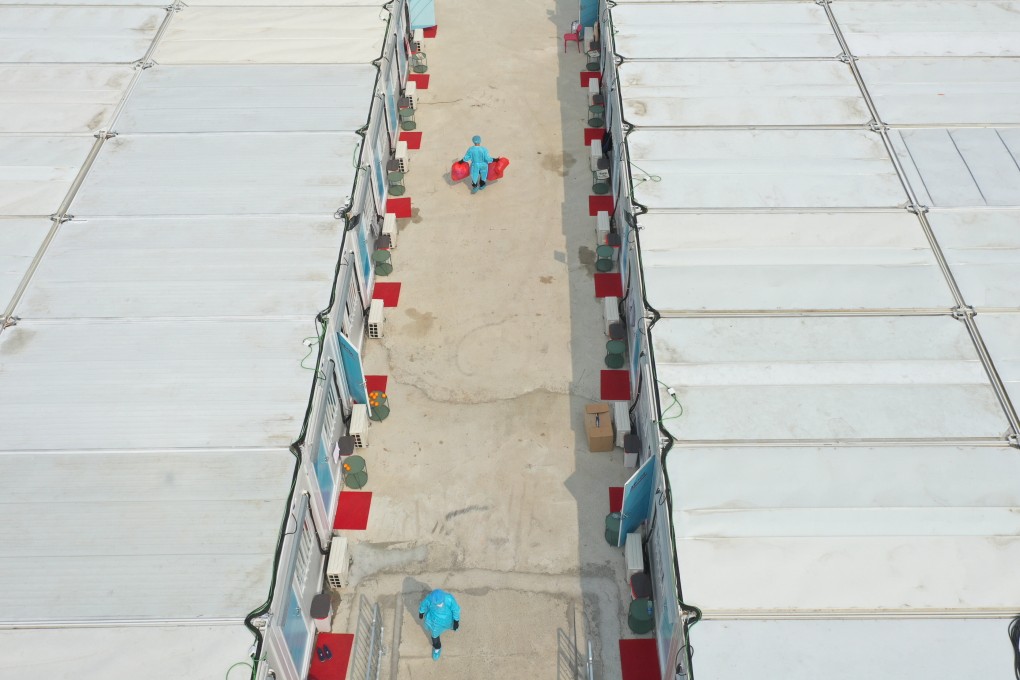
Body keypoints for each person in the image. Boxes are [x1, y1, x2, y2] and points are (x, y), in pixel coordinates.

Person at [418, 589, 461, 660]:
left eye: (441, 603)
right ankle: (437, 647)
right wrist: (421, 612)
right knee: (434, 635)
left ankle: (452, 626)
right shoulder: (429, 599)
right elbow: (423, 605)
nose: (439, 605)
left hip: (447, 619)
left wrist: (456, 621)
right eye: (437, 604)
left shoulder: (449, 598)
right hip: (434, 622)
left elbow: (456, 609)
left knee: (451, 625)